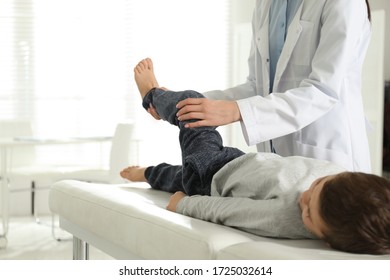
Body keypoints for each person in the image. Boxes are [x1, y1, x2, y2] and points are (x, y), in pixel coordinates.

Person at [122, 58, 390, 255]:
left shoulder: (282, 217)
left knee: (192, 106)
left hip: (210, 176)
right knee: (177, 176)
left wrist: (182, 206)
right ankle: (146, 173)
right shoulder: (339, 176)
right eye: (317, 187)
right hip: (237, 162)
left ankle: (153, 98)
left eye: (308, 214)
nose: (303, 199)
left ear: (327, 240)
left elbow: (229, 211)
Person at [147, 0, 372, 173]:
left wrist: (237, 111)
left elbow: (322, 92)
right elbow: (258, 86)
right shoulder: (266, 4)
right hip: (276, 165)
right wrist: (193, 102)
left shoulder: (344, 3)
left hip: (327, 157)